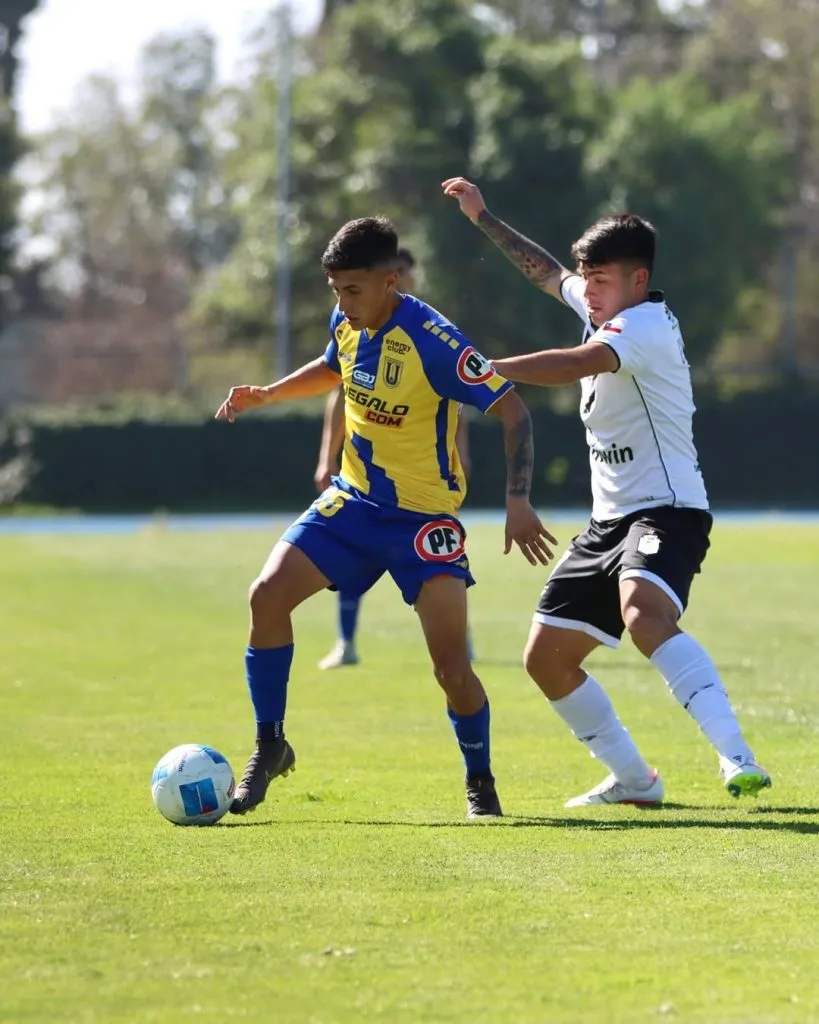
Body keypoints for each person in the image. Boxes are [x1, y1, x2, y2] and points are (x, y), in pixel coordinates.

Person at [443, 176, 771, 807]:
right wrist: (483, 216)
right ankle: (635, 781)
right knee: (546, 659)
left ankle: (737, 757)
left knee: (643, 610)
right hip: (607, 522)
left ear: (638, 282)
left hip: (668, 510)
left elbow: (573, 362)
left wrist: (483, 370)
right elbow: (547, 274)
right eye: (587, 280)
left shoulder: (642, 328)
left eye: (602, 281)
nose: (587, 291)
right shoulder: (604, 305)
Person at [215, 215, 554, 819]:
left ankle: (481, 783)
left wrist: (518, 499)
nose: (342, 304)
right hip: (352, 502)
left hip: (425, 524)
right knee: (265, 597)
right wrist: (268, 393)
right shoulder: (347, 319)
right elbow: (333, 370)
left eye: (353, 290)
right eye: (335, 291)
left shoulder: (434, 339)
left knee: (451, 668)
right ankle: (270, 745)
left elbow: (514, 412)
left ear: (391, 281)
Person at [314, 245, 476, 669]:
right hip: (363, 478)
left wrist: (462, 457)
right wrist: (325, 457)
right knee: (347, 556)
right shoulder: (353, 323)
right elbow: (341, 392)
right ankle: (345, 641)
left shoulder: (431, 333)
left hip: (422, 484)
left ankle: (459, 639)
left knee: (442, 574)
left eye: (405, 272)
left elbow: (456, 409)